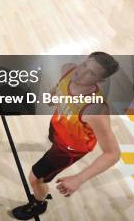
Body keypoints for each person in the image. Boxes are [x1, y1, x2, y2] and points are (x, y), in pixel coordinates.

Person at [11, 52, 121, 220]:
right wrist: (51, 96)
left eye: (91, 73)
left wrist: (79, 178)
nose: (82, 72)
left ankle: (39, 204)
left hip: (69, 148)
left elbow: (112, 154)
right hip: (58, 126)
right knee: (51, 140)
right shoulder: (69, 70)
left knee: (34, 178)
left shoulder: (95, 110)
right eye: (85, 64)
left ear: (100, 81)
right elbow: (58, 88)